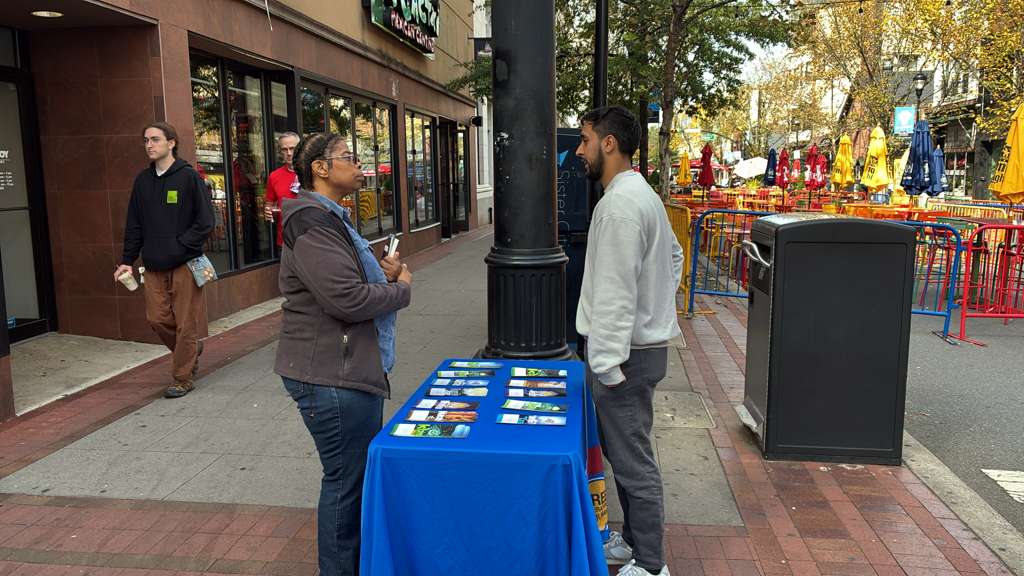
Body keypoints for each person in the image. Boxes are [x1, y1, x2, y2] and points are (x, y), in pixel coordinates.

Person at [275, 132, 412, 576]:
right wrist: (399, 290)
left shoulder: (330, 218)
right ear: (319, 168)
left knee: (350, 480)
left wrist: (385, 274)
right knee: (345, 485)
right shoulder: (311, 221)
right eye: (349, 158)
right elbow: (346, 300)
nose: (359, 165)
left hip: (345, 367)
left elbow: (347, 282)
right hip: (332, 374)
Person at [574, 106, 684, 576]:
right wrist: (656, 305)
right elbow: (674, 257)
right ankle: (635, 547)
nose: (579, 150)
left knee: (634, 463)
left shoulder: (618, 205)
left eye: (585, 140)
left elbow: (616, 293)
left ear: (609, 143)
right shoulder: (642, 195)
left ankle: (651, 564)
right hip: (638, 352)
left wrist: (606, 361)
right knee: (627, 455)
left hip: (625, 359)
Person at [115, 122, 215, 399]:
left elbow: (206, 221)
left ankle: (182, 378)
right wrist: (127, 260)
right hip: (154, 265)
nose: (149, 144)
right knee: (157, 319)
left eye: (155, 139)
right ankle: (190, 350)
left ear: (171, 143)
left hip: (185, 263)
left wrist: (182, 245)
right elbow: (134, 224)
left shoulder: (188, 177)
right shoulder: (142, 181)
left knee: (185, 324)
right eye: (145, 140)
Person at [264, 131, 301, 247]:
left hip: (311, 237)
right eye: (285, 149)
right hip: (285, 240)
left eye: (292, 148)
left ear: (300, 149)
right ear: (280, 152)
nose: (289, 153)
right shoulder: (274, 176)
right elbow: (269, 203)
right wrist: (267, 210)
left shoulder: (313, 172)